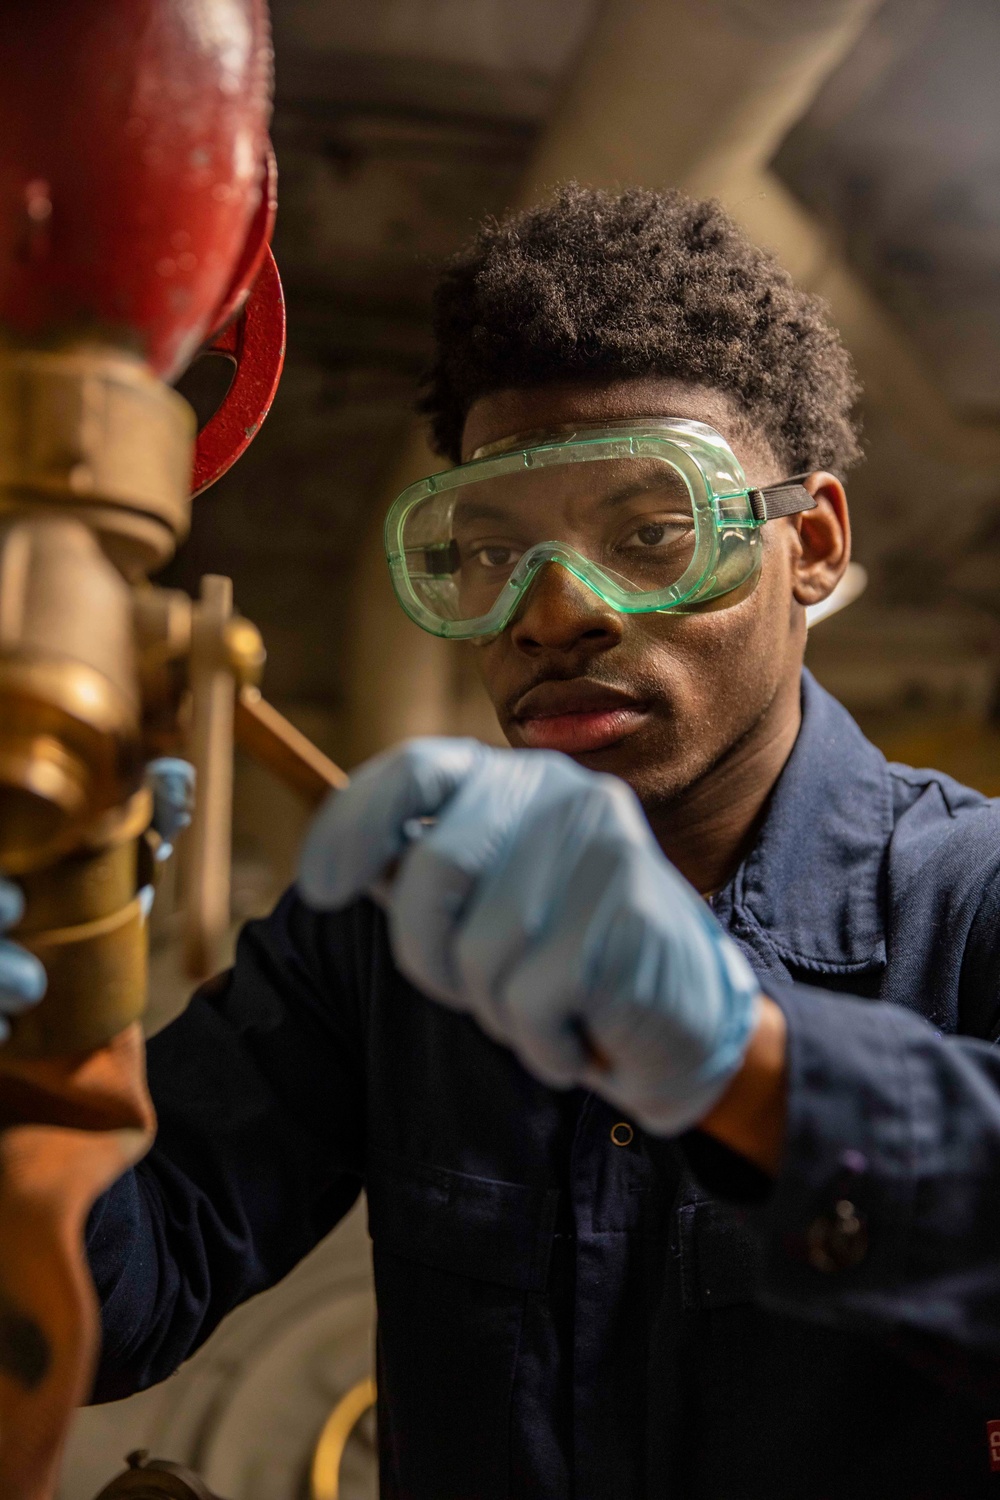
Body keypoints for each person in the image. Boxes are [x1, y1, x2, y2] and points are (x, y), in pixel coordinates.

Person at [5, 185, 1000, 1499]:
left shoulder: (973, 898)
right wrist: (69, 999)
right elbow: (120, 1304)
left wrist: (746, 1065)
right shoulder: (388, 928)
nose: (554, 614)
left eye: (650, 535)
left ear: (806, 545)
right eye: (490, 552)